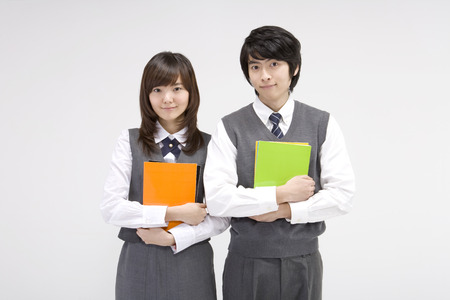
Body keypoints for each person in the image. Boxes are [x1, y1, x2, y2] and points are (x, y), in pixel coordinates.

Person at [204, 26, 355, 300]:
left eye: (274, 64)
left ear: (294, 68)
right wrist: (278, 194)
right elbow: (217, 199)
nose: (264, 75)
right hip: (246, 261)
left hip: (303, 260)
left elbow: (342, 196)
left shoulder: (322, 123)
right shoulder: (230, 127)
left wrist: (283, 210)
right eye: (255, 66)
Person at [101, 51, 229, 300]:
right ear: (146, 95)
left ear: (191, 93)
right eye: (157, 90)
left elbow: (223, 216)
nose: (167, 98)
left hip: (191, 260)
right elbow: (111, 209)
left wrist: (173, 237)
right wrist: (173, 213)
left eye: (177, 88)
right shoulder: (129, 141)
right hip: (140, 260)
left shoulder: (211, 145)